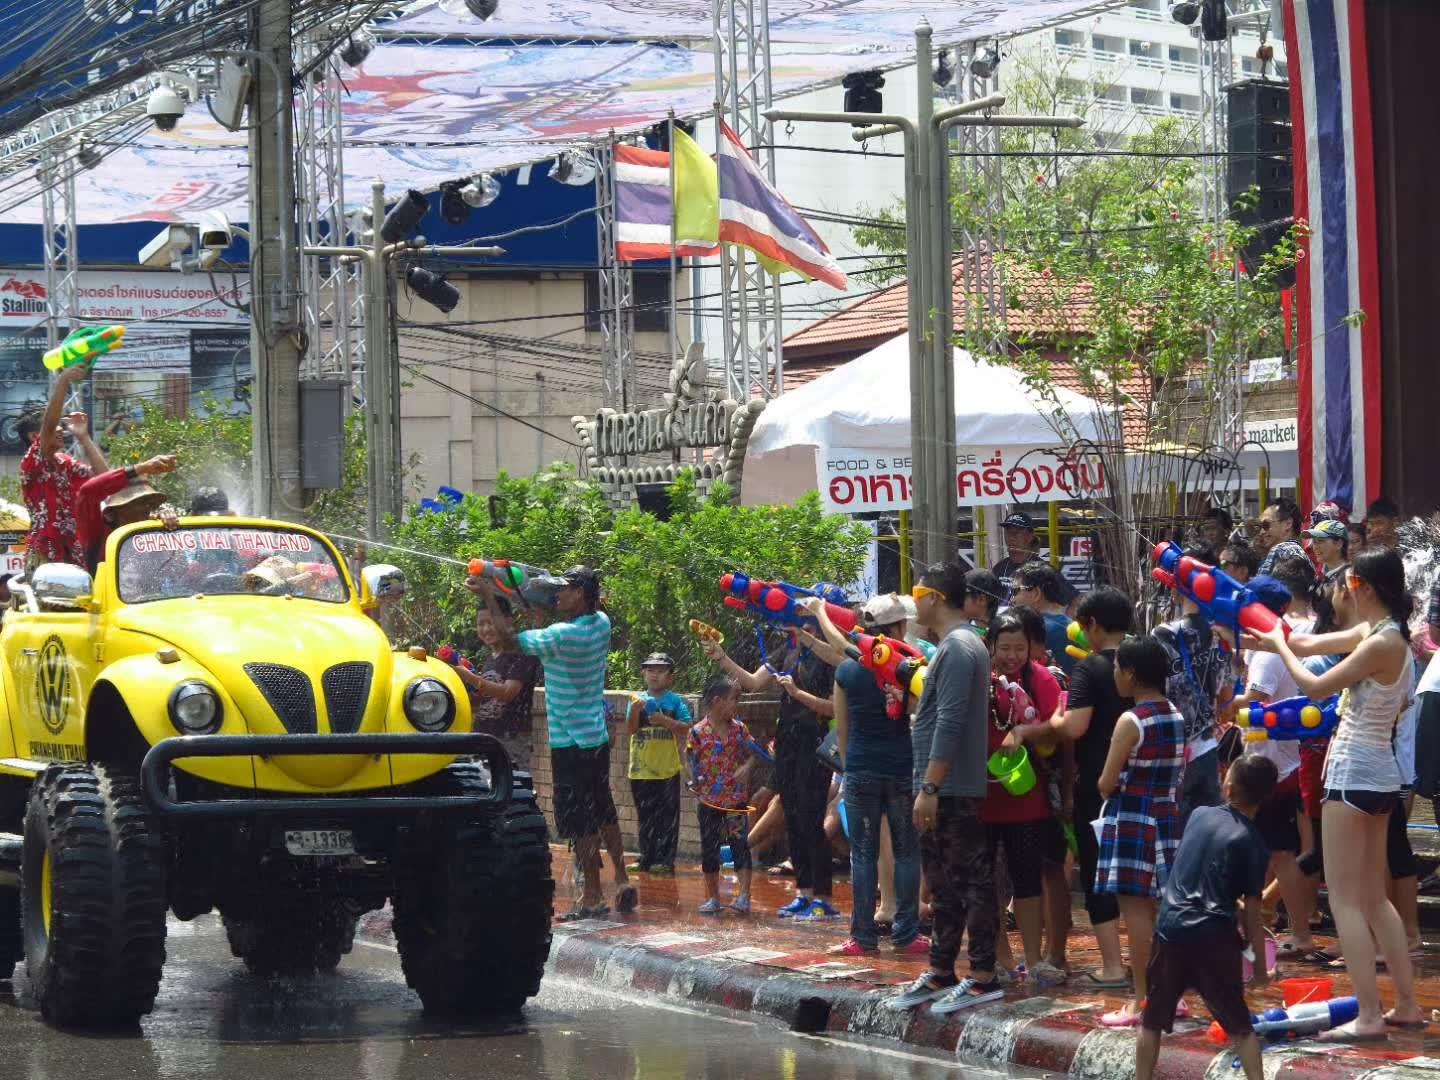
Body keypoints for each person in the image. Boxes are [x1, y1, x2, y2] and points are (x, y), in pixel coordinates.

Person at [1245, 546, 1425, 1037]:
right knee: (1371, 897)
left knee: (1346, 899)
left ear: (1361, 586)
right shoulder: (1383, 635)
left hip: (1353, 773)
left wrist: (1280, 650)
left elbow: (1314, 685)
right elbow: (1306, 647)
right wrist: (1268, 639)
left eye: (1346, 583)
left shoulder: (1382, 642)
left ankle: (1369, 1015)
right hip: (1378, 775)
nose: (1339, 588)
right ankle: (1405, 1005)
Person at [470, 565, 634, 920]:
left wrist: (488, 595)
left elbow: (510, 640)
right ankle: (622, 877)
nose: (559, 594)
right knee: (603, 806)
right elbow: (539, 635)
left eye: (566, 590)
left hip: (569, 741)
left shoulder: (561, 636)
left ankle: (592, 896)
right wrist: (531, 605)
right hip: (595, 736)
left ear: (583, 594)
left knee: (579, 821)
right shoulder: (600, 624)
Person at [887, 564, 1001, 1014]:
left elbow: (951, 720)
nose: (914, 602)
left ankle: (983, 976)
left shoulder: (959, 647)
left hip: (951, 787)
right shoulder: (953, 645)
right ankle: (940, 970)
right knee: (943, 884)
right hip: (940, 786)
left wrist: (930, 786)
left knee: (971, 881)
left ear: (934, 596)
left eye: (917, 592)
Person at [1008, 586, 1135, 987]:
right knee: (1139, 878)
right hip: (1144, 781)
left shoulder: (1093, 669)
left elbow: (1075, 726)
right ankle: (1145, 964)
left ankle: (1112, 967)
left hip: (1099, 782)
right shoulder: (1145, 661)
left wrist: (1044, 723)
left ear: (1093, 625)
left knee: (1099, 873)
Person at [1135, 755, 1278, 1080]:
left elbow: (1199, 879)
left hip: (1171, 930)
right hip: (1214, 939)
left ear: (1227, 785)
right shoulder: (1253, 843)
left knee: (1151, 1021)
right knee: (1241, 1028)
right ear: (1267, 797)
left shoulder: (1198, 816)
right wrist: (1258, 969)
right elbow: (1253, 914)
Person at [703, 599, 841, 921]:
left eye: (806, 625)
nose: (797, 629)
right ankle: (803, 894)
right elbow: (751, 682)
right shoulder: (786, 651)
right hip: (789, 743)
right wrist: (721, 657)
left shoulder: (829, 657)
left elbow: (834, 708)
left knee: (811, 821)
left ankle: (823, 899)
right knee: (792, 818)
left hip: (814, 743)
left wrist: (798, 695)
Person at [818, 593, 926, 957]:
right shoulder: (909, 665)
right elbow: (919, 710)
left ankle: (862, 938)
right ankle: (907, 934)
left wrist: (849, 771)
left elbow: (842, 728)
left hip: (861, 769)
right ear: (897, 628)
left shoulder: (847, 671)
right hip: (900, 768)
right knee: (907, 851)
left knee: (862, 855)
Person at [1094, 637, 1186, 1027]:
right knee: (1163, 913)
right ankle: (1170, 995)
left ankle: (1142, 1000)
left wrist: (1110, 783)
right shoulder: (1176, 715)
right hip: (1166, 817)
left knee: (1136, 916)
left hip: (1133, 819)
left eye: (1118, 668)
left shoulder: (1131, 721)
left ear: (1130, 673)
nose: (1115, 674)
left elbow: (1106, 781)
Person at [1233, 566, 1322, 963]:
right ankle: (1276, 928)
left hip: (1268, 767)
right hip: (1275, 762)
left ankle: (1298, 933)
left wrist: (1215, 701)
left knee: (1279, 854)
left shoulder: (1269, 654)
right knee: (1275, 853)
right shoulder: (1277, 641)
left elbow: (1255, 700)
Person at [984, 612, 1067, 986]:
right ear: (991, 646)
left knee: (1027, 878)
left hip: (1027, 796)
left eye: (1020, 647)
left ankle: (1034, 959)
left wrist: (1022, 730)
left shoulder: (1041, 678)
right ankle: (1000, 957)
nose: (1013, 655)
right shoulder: (978, 677)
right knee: (987, 882)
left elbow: (1058, 726)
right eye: (1005, 648)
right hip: (983, 795)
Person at [1152, 545, 1230, 829]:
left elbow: (1152, 694)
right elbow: (1226, 696)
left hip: (1173, 751)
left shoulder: (1162, 634)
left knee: (1175, 837)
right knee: (1208, 832)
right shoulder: (1223, 633)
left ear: (1177, 586)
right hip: (1209, 746)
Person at [19, 364, 107, 570]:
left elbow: (105, 478)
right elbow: (48, 426)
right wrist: (63, 382)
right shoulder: (31, 462)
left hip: (74, 557)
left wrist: (84, 437)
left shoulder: (64, 463)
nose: (61, 429)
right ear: (34, 437)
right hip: (44, 558)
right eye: (57, 425)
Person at [686, 676, 759, 915]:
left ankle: (744, 896)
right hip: (708, 801)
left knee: (740, 846)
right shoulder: (697, 732)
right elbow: (690, 760)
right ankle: (713, 898)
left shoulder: (740, 730)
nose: (736, 704)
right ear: (717, 701)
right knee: (710, 848)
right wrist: (693, 780)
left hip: (735, 800)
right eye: (733, 699)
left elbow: (753, 753)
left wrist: (746, 768)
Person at [455, 594, 541, 774]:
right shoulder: (491, 659)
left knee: (513, 793)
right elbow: (485, 698)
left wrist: (471, 677)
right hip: (483, 739)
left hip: (511, 743)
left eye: (490, 622)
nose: (485, 629)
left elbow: (508, 692)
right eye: (480, 624)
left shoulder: (523, 653)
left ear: (507, 622)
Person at [625, 652, 693, 878]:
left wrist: (665, 721)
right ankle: (646, 857)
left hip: (667, 770)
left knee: (667, 817)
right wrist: (635, 711)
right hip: (640, 769)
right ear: (644, 673)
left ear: (671, 677)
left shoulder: (675, 702)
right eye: (650, 670)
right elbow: (631, 729)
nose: (654, 674)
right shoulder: (636, 700)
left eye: (661, 670)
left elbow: (688, 728)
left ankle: (665, 860)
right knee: (645, 816)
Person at [73, 456, 179, 573]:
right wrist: (141, 468)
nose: (147, 508)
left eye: (150, 502)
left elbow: (169, 568)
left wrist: (168, 529)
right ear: (116, 510)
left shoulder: (150, 531)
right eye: (140, 502)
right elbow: (87, 492)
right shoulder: (96, 533)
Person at [1012, 561, 1078, 676]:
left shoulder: (1035, 629)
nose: (1012, 599)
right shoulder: (1071, 625)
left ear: (1036, 593)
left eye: (1016, 591)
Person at [991, 512, 1041, 603]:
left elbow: (1070, 600)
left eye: (1016, 532)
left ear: (1030, 536)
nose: (1011, 537)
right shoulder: (999, 568)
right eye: (1008, 532)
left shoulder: (1043, 570)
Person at [1257, 498, 1307, 576]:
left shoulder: (1279, 550)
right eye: (1260, 526)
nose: (1261, 532)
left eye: (1266, 525)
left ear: (1288, 524)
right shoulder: (1300, 553)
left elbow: (1258, 587)